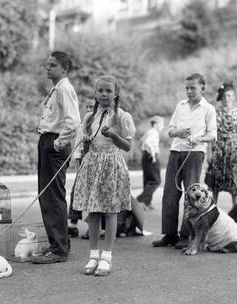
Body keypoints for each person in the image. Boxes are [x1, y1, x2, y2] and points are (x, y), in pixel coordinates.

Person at [73, 75, 136, 276]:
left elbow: (127, 146)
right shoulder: (89, 117)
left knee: (110, 211)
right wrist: (82, 149)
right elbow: (84, 144)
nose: (104, 94)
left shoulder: (122, 117)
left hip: (111, 165)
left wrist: (114, 136)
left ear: (116, 94)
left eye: (108, 91)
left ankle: (106, 256)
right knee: (93, 211)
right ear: (95, 93)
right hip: (92, 164)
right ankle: (93, 255)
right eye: (100, 90)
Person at [152, 73, 217, 249]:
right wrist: (177, 132)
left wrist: (200, 139)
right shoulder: (180, 106)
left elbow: (213, 135)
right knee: (170, 194)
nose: (188, 91)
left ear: (202, 88)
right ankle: (169, 234)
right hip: (176, 151)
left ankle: (186, 235)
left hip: (195, 154)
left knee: (191, 196)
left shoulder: (208, 109)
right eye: (187, 88)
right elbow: (170, 130)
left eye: (192, 88)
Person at [31, 51, 80, 264]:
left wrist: (58, 143)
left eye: (53, 65)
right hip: (47, 140)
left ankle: (60, 249)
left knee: (54, 197)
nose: (47, 68)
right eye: (47, 64)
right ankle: (55, 244)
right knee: (45, 195)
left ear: (64, 69)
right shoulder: (56, 89)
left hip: (54, 144)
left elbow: (73, 121)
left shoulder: (65, 89)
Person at [205, 82, 237, 206]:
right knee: (215, 182)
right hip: (218, 149)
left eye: (229, 96)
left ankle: (235, 209)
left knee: (233, 180)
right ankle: (213, 209)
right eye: (224, 96)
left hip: (233, 148)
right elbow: (210, 133)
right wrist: (209, 152)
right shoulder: (215, 113)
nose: (226, 99)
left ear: (234, 97)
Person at [68, 99, 96, 238]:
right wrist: (78, 163)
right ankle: (73, 224)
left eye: (92, 107)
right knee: (76, 192)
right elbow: (78, 147)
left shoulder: (99, 124)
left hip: (97, 162)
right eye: (88, 107)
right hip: (83, 161)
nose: (90, 109)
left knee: (94, 195)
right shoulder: (82, 126)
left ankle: (94, 227)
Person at [136, 115, 165, 209]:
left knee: (148, 180)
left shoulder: (149, 131)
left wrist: (143, 152)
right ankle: (140, 200)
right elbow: (148, 142)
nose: (163, 127)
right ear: (156, 124)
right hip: (151, 157)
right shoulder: (154, 133)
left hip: (145, 156)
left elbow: (141, 142)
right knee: (156, 180)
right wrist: (153, 154)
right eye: (162, 125)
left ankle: (146, 203)